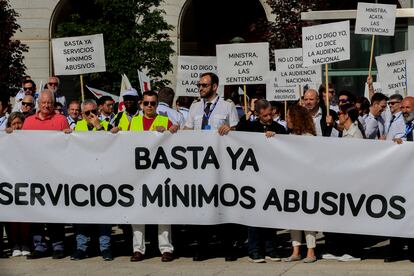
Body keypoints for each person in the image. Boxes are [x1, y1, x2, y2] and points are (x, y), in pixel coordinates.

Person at [184, 72, 239, 261]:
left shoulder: (227, 106)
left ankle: (228, 247)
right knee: (201, 207)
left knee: (224, 205)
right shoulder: (194, 107)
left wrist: (230, 130)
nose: (200, 88)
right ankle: (202, 247)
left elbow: (238, 132)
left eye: (204, 85)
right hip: (200, 165)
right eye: (199, 85)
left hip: (222, 164)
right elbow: (188, 130)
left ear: (215, 87)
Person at [127, 90, 177, 262]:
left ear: (157, 104)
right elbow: (124, 144)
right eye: (146, 103)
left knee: (162, 211)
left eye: (153, 103)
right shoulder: (133, 122)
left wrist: (172, 129)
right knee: (138, 212)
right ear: (141, 104)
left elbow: (176, 138)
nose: (149, 106)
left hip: (160, 173)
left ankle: (166, 249)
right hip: (139, 174)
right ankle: (138, 249)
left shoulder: (164, 120)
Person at [236, 99, 286, 263]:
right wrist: (248, 112)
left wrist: (275, 137)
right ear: (257, 114)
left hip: (272, 178)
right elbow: (239, 130)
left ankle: (271, 248)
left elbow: (286, 145)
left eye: (270, 114)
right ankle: (255, 250)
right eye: (265, 115)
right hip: (253, 178)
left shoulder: (279, 128)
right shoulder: (250, 128)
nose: (269, 118)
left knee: (270, 215)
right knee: (255, 216)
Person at [21, 90, 69, 259]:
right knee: (36, 212)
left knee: (54, 212)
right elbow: (21, 146)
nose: (46, 105)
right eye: (43, 102)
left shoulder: (61, 120)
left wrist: (69, 136)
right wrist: (11, 136)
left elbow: (69, 145)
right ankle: (39, 245)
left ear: (53, 103)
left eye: (49, 102)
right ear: (38, 104)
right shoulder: (28, 122)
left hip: (55, 175)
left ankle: (58, 245)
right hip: (34, 174)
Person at [65, 99, 113, 261]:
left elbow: (109, 146)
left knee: (103, 215)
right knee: (81, 215)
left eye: (93, 111)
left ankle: (105, 247)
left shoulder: (106, 126)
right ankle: (81, 247)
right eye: (87, 113)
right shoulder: (77, 128)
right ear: (82, 114)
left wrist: (98, 127)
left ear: (98, 111)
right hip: (83, 177)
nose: (91, 115)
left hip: (102, 177)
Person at [282, 105, 317, 263]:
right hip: (292, 182)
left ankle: (311, 251)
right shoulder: (287, 137)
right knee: (293, 218)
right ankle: (295, 250)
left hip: (307, 183)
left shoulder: (309, 137)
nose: (286, 119)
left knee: (308, 218)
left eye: (289, 116)